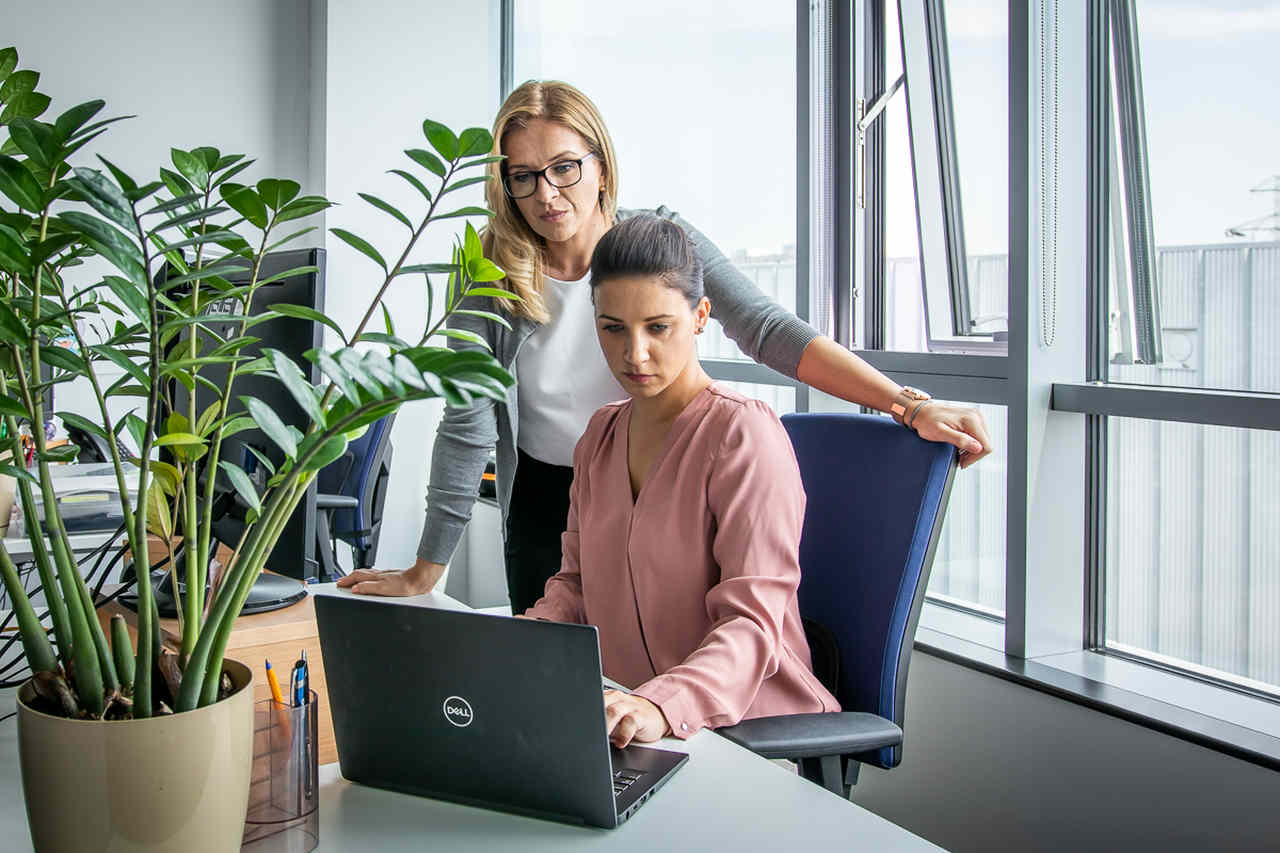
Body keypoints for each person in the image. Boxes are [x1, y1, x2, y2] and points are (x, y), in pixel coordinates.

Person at [337, 80, 992, 612]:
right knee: (555, 697)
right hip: (545, 505)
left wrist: (903, 404)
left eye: (565, 167)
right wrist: (429, 568)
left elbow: (766, 329)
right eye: (525, 176)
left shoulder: (660, 242)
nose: (548, 192)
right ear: (505, 184)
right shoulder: (491, 268)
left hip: (661, 490)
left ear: (600, 165)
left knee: (656, 698)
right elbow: (466, 423)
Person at [528, 214, 839, 747]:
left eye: (658, 327)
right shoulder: (600, 435)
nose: (635, 354)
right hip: (631, 725)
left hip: (748, 730)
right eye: (613, 328)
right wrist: (516, 642)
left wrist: (660, 703)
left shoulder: (743, 435)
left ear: (700, 317)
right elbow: (575, 586)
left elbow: (752, 623)